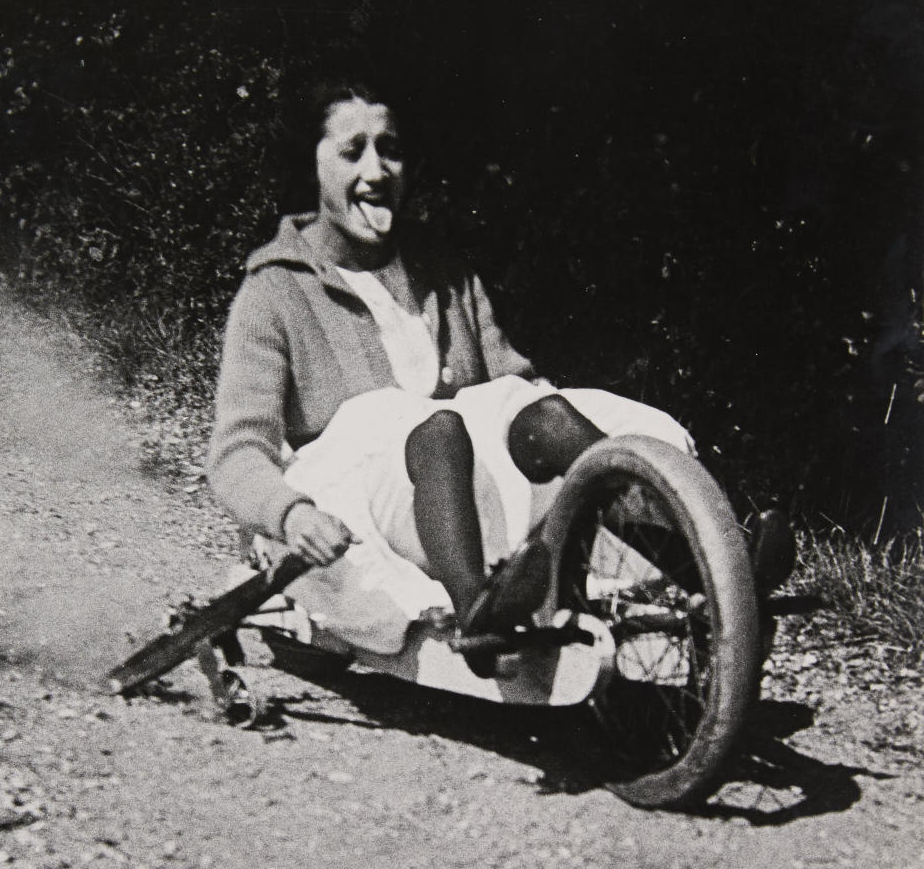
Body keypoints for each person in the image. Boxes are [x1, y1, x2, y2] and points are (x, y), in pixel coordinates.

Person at [206, 78, 714, 673]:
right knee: (437, 427)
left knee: (546, 416)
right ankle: (477, 613)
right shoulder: (275, 290)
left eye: (390, 150)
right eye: (352, 152)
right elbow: (237, 452)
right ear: (309, 165)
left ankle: (708, 562)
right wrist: (291, 515)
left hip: (464, 501)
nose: (377, 170)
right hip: (359, 507)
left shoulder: (441, 270)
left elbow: (510, 383)